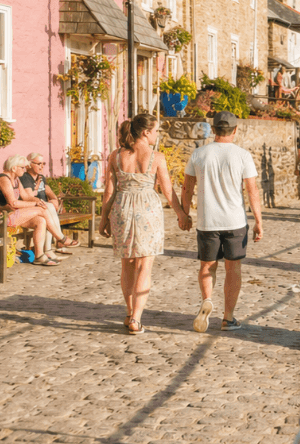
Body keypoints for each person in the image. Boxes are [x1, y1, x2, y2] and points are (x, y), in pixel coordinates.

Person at [99, 114, 190, 335]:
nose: (157, 135)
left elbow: (109, 192)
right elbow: (168, 191)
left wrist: (103, 218)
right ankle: (137, 319)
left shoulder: (116, 156)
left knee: (127, 263)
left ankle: (130, 312)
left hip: (122, 207)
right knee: (144, 265)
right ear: (146, 132)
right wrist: (181, 214)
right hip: (147, 208)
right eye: (156, 131)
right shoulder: (156, 157)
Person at [182, 112, 264, 333]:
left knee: (207, 266)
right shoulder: (242, 155)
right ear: (235, 130)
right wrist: (258, 220)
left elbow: (187, 187)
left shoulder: (198, 154)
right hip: (235, 222)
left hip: (207, 221)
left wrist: (184, 214)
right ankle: (228, 318)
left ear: (213, 129)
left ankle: (207, 299)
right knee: (233, 268)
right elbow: (252, 190)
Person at [0, 156, 58, 265]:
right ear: (14, 168)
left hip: (10, 214)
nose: (24, 170)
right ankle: (61, 238)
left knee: (40, 221)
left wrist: (38, 200)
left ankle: (39, 256)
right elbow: (13, 203)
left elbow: (25, 197)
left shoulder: (16, 179)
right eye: (23, 167)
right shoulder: (4, 179)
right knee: (41, 210)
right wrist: (35, 204)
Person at [20, 152, 80, 253]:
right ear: (29, 165)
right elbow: (28, 197)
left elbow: (50, 192)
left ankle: (49, 251)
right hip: (32, 210)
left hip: (44, 209)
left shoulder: (41, 177)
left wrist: (54, 200)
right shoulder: (25, 177)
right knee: (48, 209)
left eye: (43, 164)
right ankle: (60, 239)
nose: (42, 166)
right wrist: (46, 203)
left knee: (49, 209)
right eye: (39, 164)